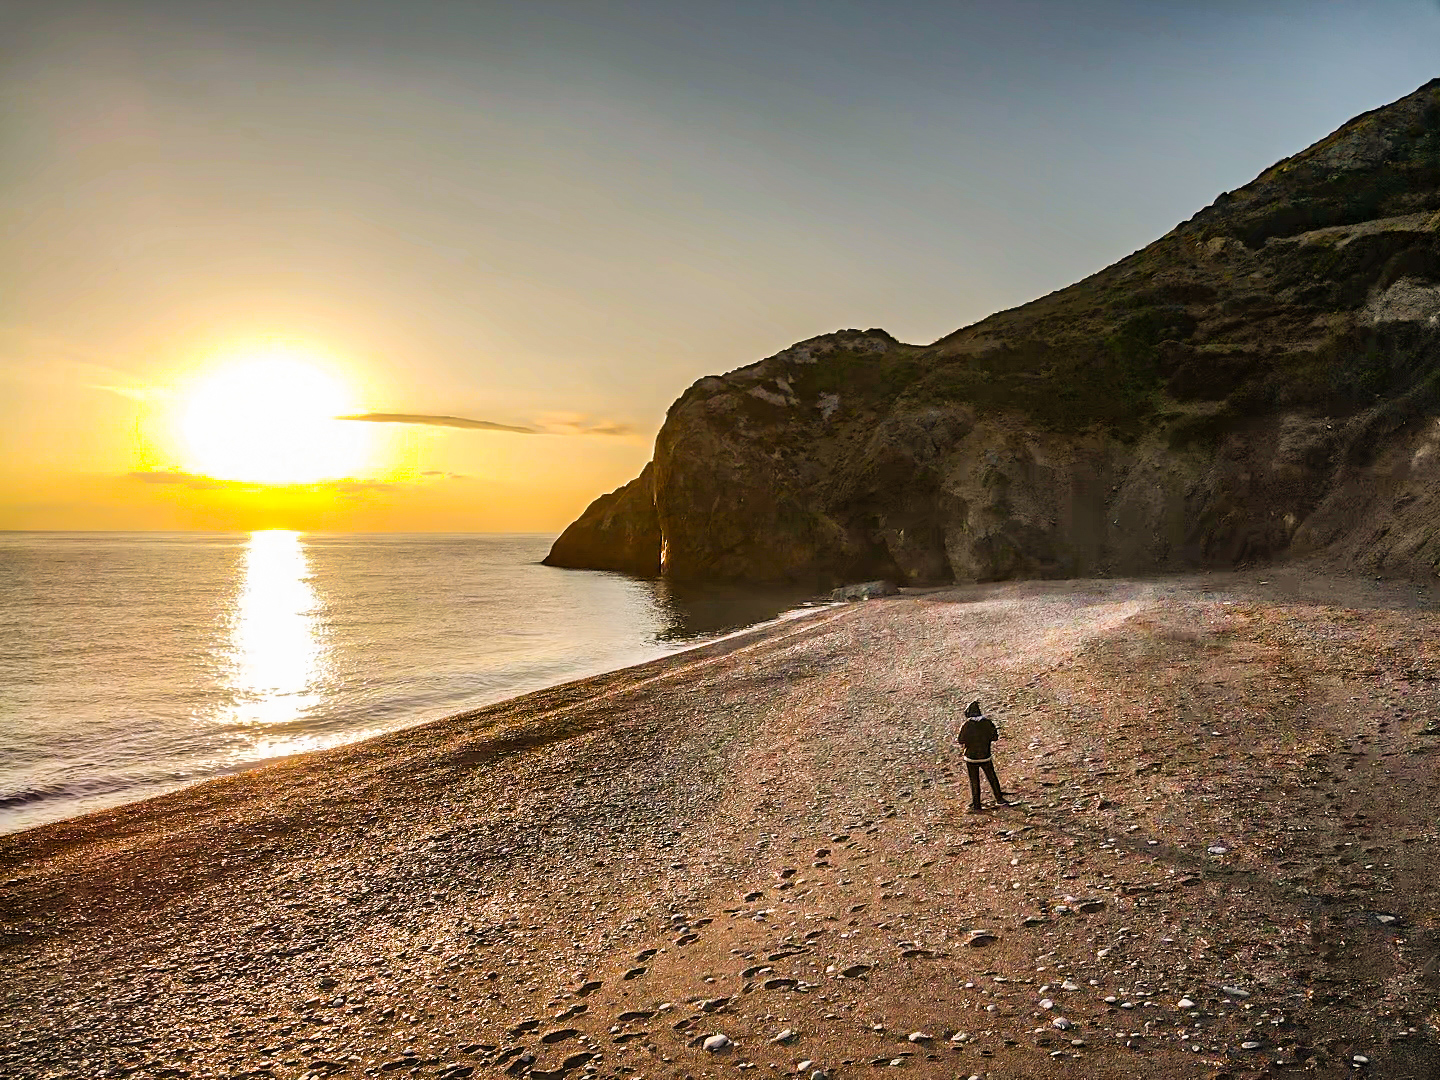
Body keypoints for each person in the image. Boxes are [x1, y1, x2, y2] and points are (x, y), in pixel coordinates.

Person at [958, 699, 1009, 812]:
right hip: (985, 755)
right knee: (992, 777)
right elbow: (995, 737)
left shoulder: (966, 725)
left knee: (974, 781)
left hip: (971, 758)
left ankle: (977, 805)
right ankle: (999, 798)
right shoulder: (987, 723)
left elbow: (960, 740)